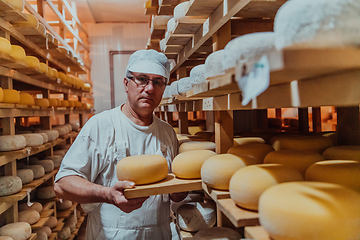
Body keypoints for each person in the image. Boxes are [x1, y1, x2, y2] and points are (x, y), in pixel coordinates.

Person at [54, 49, 187, 239]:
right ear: (126, 83)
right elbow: (62, 184)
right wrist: (107, 194)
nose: (150, 88)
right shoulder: (101, 125)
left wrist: (181, 189)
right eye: (142, 79)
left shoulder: (167, 132)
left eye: (157, 82)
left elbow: (176, 194)